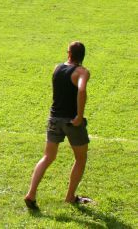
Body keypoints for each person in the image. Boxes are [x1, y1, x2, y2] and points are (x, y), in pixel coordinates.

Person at [24, 42, 93, 210]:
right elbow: (81, 90)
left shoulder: (56, 68)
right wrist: (79, 116)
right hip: (71, 122)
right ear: (83, 56)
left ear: (68, 53)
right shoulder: (82, 72)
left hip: (54, 118)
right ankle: (70, 197)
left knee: (48, 157)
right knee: (81, 158)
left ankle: (31, 194)